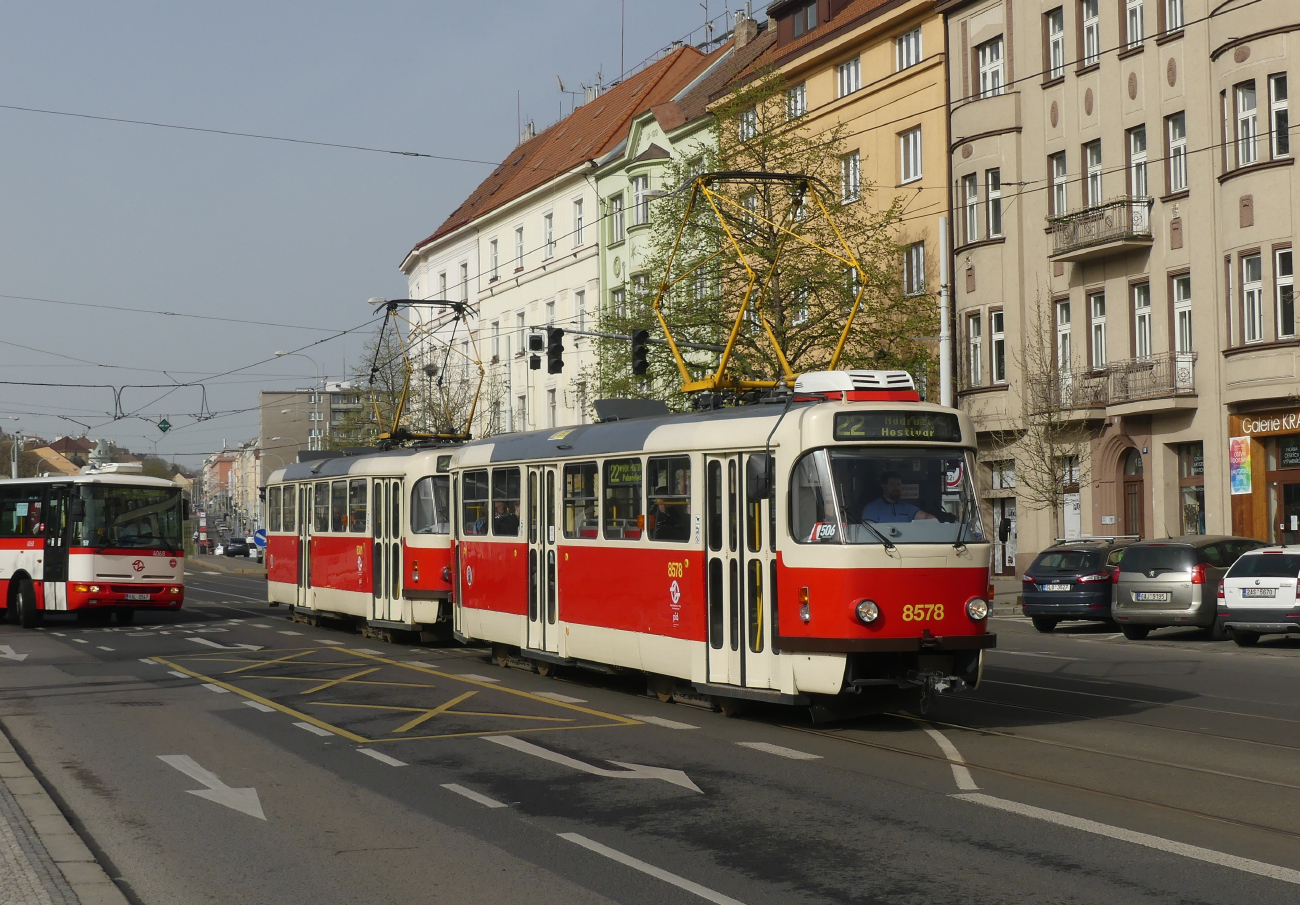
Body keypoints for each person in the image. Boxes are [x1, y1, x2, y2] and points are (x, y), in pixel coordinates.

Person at [861, 471, 936, 523]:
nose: (896, 487)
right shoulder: (871, 508)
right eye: (892, 484)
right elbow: (870, 534)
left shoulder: (906, 507)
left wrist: (936, 522)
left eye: (898, 484)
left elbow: (927, 518)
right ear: (884, 486)